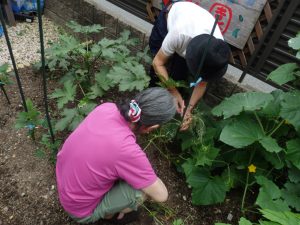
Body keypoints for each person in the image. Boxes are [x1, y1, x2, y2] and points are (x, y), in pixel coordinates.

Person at [56, 87, 177, 224]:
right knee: (140, 192)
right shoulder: (127, 150)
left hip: (66, 187)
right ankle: (108, 215)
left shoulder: (107, 108)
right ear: (152, 127)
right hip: (80, 211)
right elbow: (161, 195)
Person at [149, 1, 231, 131]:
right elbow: (157, 62)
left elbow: (202, 82)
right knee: (156, 65)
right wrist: (173, 91)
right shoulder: (179, 34)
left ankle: (174, 105)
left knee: (178, 74)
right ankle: (151, 102)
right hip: (170, 17)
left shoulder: (216, 52)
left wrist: (189, 110)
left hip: (193, 31)